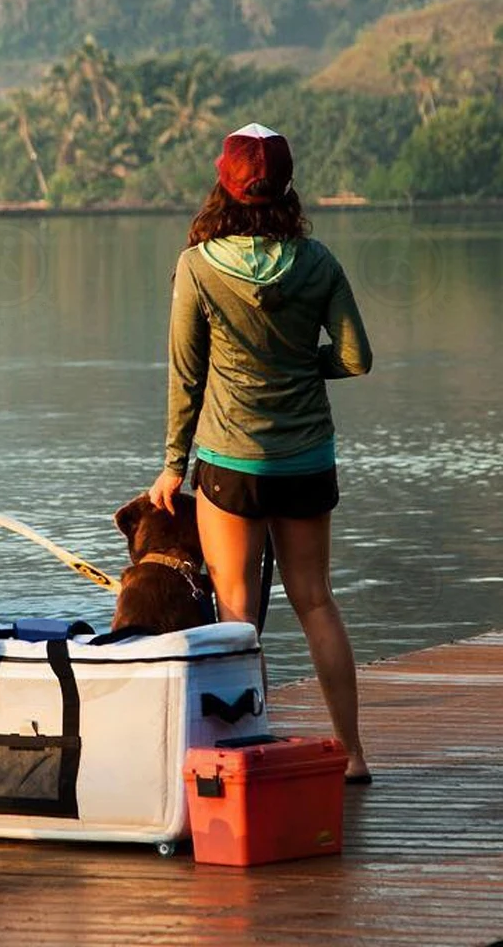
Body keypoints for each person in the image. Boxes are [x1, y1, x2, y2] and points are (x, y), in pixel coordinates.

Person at [148, 124, 373, 783]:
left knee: (238, 614)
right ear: (286, 185)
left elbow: (185, 375)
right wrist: (304, 361)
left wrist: (171, 464)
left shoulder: (197, 267)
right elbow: (357, 359)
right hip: (306, 462)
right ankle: (354, 754)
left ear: (224, 183)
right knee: (316, 603)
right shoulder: (319, 262)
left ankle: (246, 753)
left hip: (230, 466)